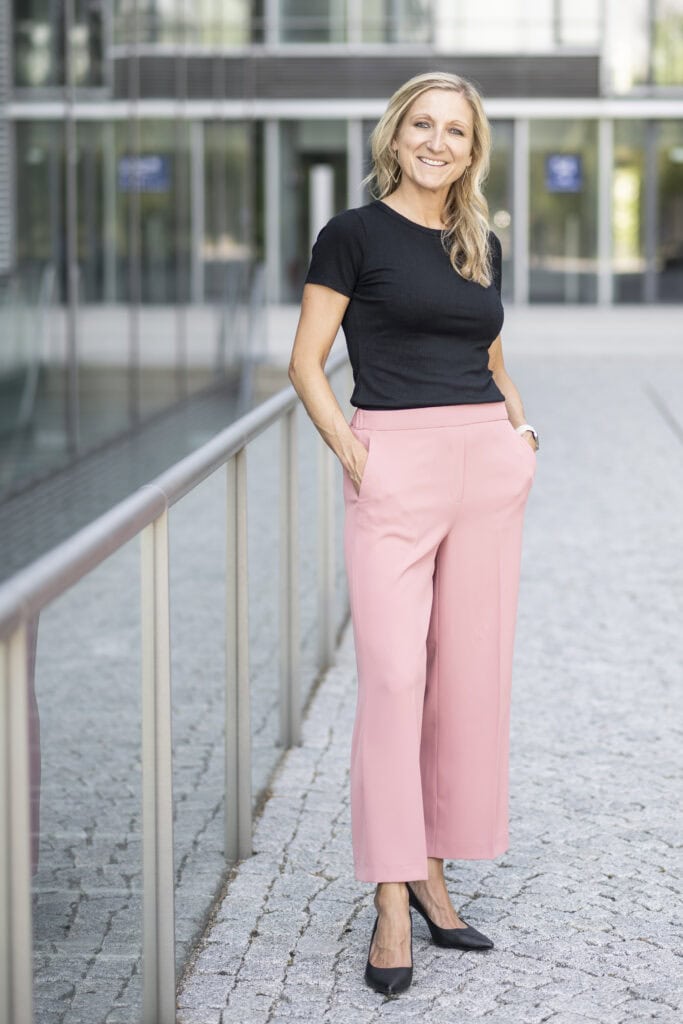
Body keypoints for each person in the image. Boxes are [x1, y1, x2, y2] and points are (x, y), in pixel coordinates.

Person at [287, 70, 539, 996]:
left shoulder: (480, 243)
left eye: (455, 131)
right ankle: (390, 895)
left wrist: (520, 436)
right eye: (422, 125)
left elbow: (490, 356)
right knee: (394, 679)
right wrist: (356, 454)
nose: (437, 142)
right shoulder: (351, 235)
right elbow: (305, 362)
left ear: (472, 151)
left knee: (465, 682)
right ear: (396, 136)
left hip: (485, 469)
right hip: (392, 462)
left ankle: (433, 873)